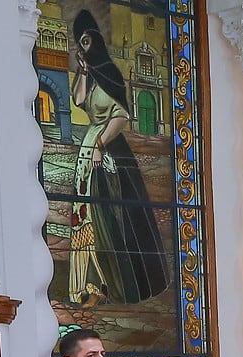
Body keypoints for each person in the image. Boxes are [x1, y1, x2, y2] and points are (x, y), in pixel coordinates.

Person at [64, 10, 168, 307]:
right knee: (85, 212)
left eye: (86, 41)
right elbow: (79, 100)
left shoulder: (111, 72)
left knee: (112, 214)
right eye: (79, 43)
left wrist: (99, 144)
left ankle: (119, 280)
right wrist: (83, 70)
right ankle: (90, 281)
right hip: (90, 147)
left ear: (95, 40)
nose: (82, 47)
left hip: (109, 148)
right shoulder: (92, 74)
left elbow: (121, 115)